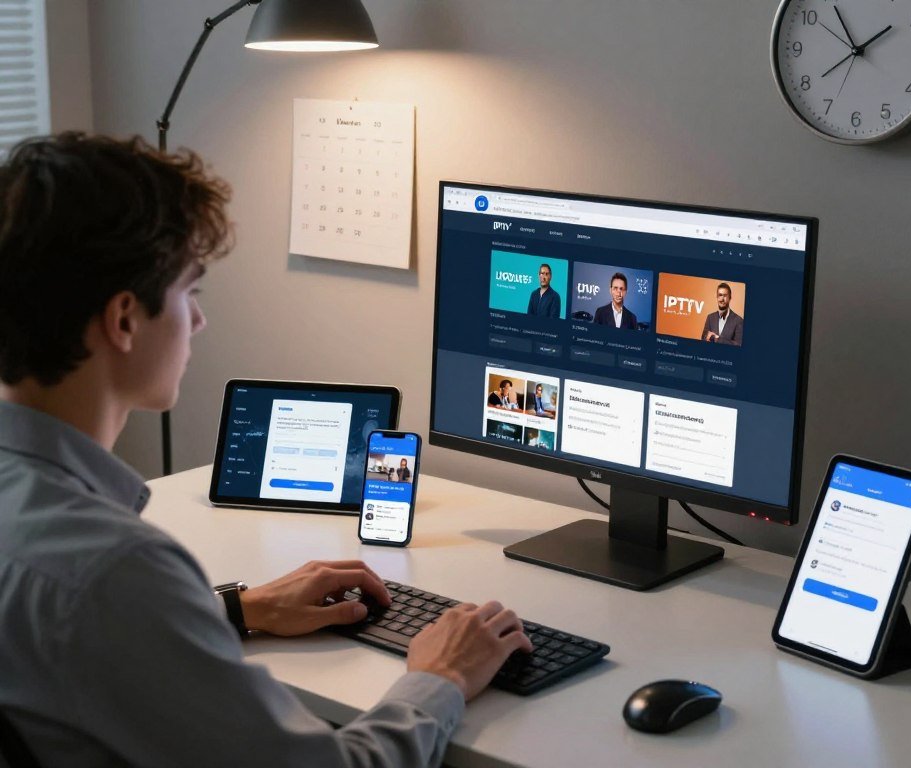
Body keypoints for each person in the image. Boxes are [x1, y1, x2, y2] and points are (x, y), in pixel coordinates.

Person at [0, 133, 532, 767]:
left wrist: (234, 608)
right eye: (188, 293)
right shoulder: (117, 570)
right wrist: (441, 678)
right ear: (124, 319)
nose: (198, 323)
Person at [701, 282, 743, 346]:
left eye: (725, 296)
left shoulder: (738, 320)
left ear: (730, 298)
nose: (722, 299)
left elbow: (738, 344)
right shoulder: (710, 317)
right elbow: (703, 338)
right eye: (720, 295)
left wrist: (717, 339)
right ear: (717, 297)